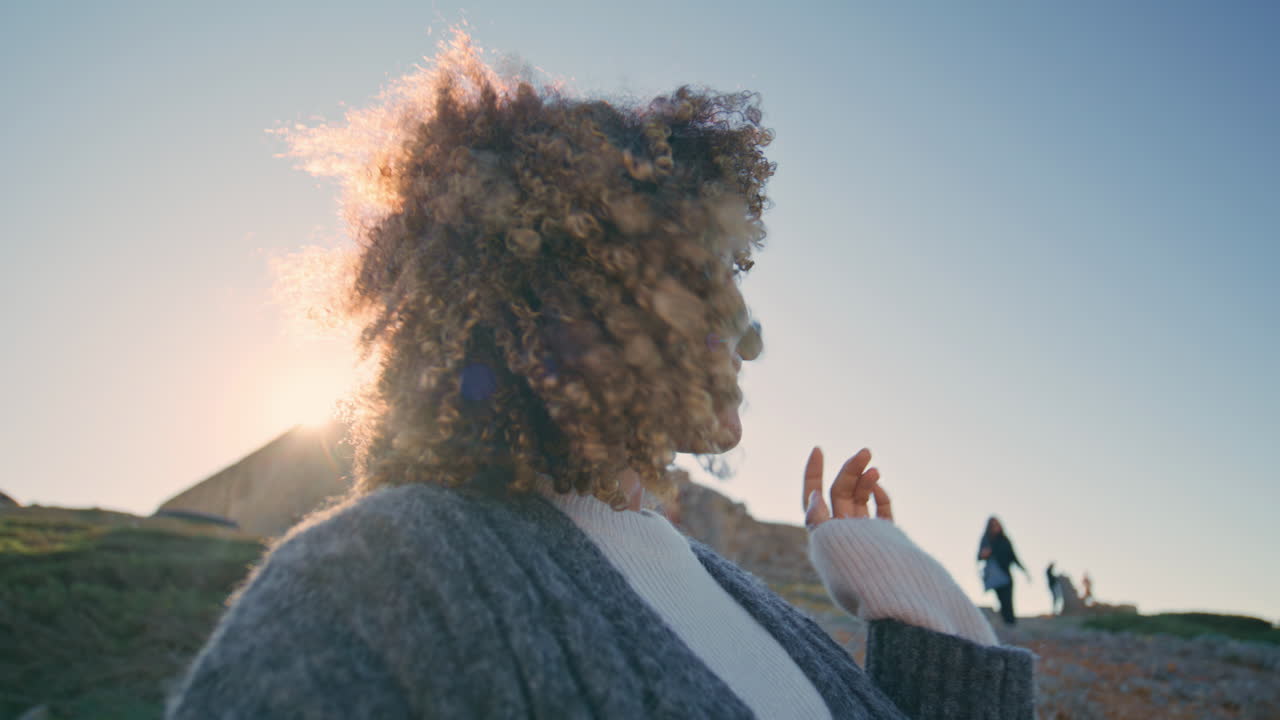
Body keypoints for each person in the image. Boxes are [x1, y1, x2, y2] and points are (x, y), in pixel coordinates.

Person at [166, 37, 1033, 719]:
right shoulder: (371, 575)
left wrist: (901, 591)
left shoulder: (724, 584)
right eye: (696, 278)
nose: (742, 321)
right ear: (561, 305)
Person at [978, 516, 1030, 626]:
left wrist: (1024, 571)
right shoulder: (986, 540)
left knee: (1008, 600)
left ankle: (1011, 624)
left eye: (996, 524)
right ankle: (1007, 623)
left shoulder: (1005, 540)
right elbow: (979, 556)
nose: (995, 527)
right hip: (995, 576)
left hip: (1006, 575)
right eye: (992, 525)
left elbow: (1014, 557)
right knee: (1002, 600)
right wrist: (984, 554)